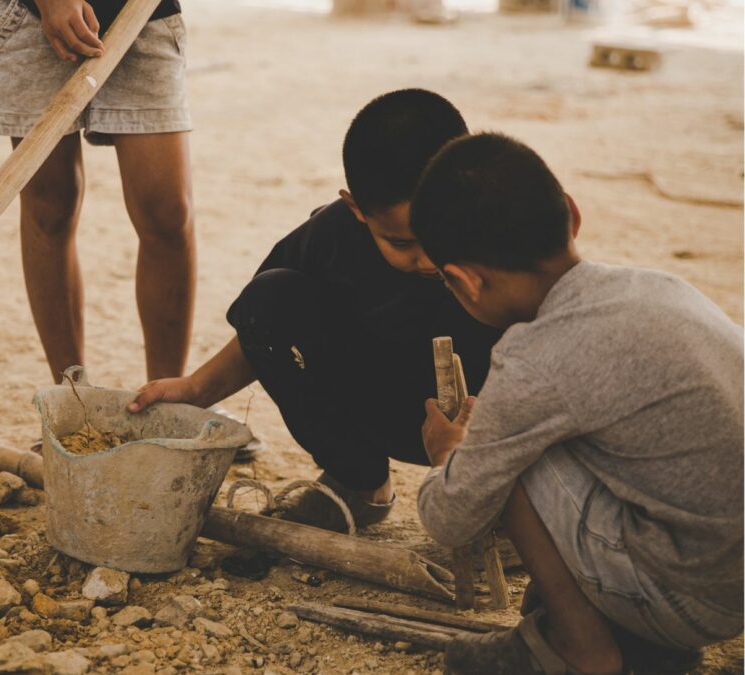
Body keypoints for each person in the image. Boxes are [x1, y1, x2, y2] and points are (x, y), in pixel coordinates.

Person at [413, 132, 743, 674]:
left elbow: (450, 517)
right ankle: (634, 640)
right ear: (571, 213)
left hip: (695, 600)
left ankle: (581, 647)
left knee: (510, 460)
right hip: (727, 573)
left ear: (465, 280)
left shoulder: (535, 359)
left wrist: (449, 454)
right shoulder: (655, 285)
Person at [129, 89, 501, 528]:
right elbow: (264, 322)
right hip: (395, 412)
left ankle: (506, 504)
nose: (426, 260)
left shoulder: (503, 237)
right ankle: (359, 484)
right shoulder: (332, 234)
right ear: (356, 208)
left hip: (491, 426)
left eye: (437, 235)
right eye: (402, 243)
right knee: (268, 297)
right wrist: (196, 390)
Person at [0, 0, 195, 382]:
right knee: (51, 208)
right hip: (29, 13)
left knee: (168, 214)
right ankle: (72, 396)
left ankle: (167, 400)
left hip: (143, 13)